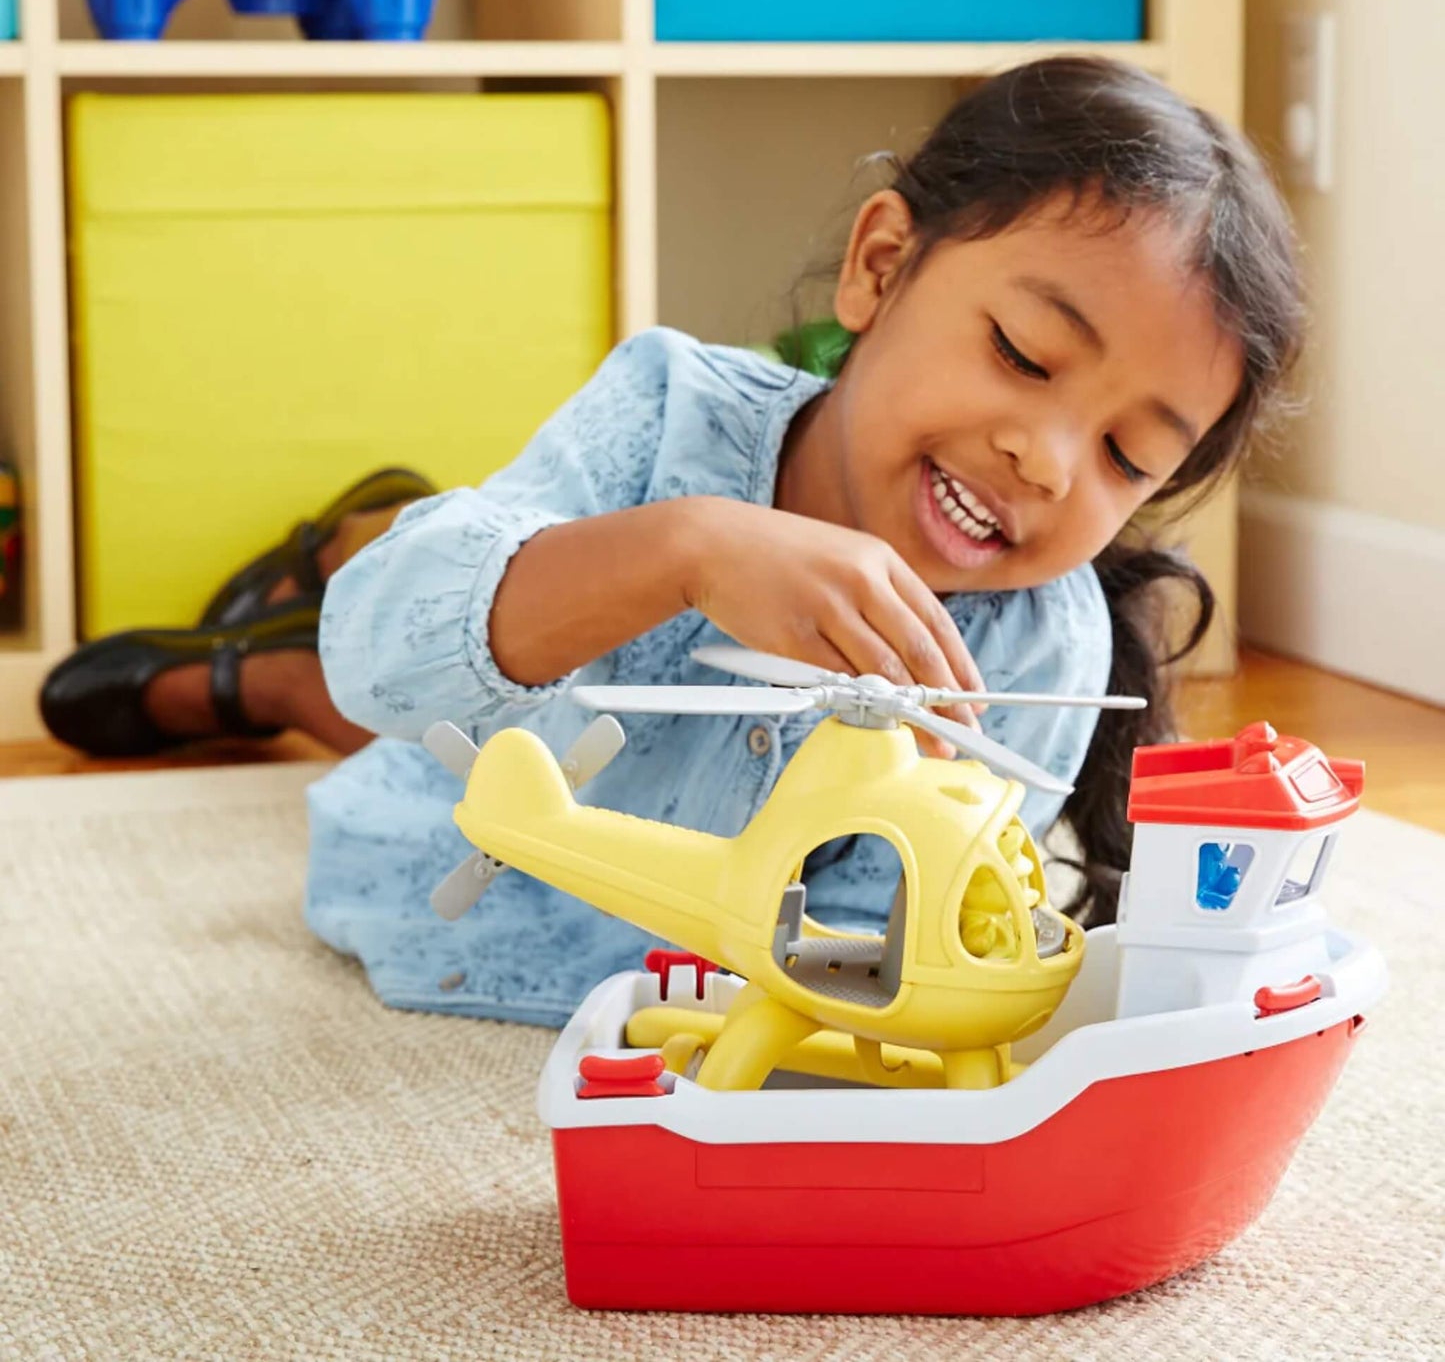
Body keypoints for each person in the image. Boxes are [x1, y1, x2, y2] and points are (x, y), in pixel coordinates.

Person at [42, 57, 1304, 1027]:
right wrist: (690, 548)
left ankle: (256, 653)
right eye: (1022, 355)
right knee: (410, 710)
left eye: (1128, 457)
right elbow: (391, 652)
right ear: (879, 266)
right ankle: (274, 647)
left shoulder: (1041, 645)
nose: (1046, 456)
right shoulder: (668, 419)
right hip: (443, 836)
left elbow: (888, 965)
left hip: (663, 991)